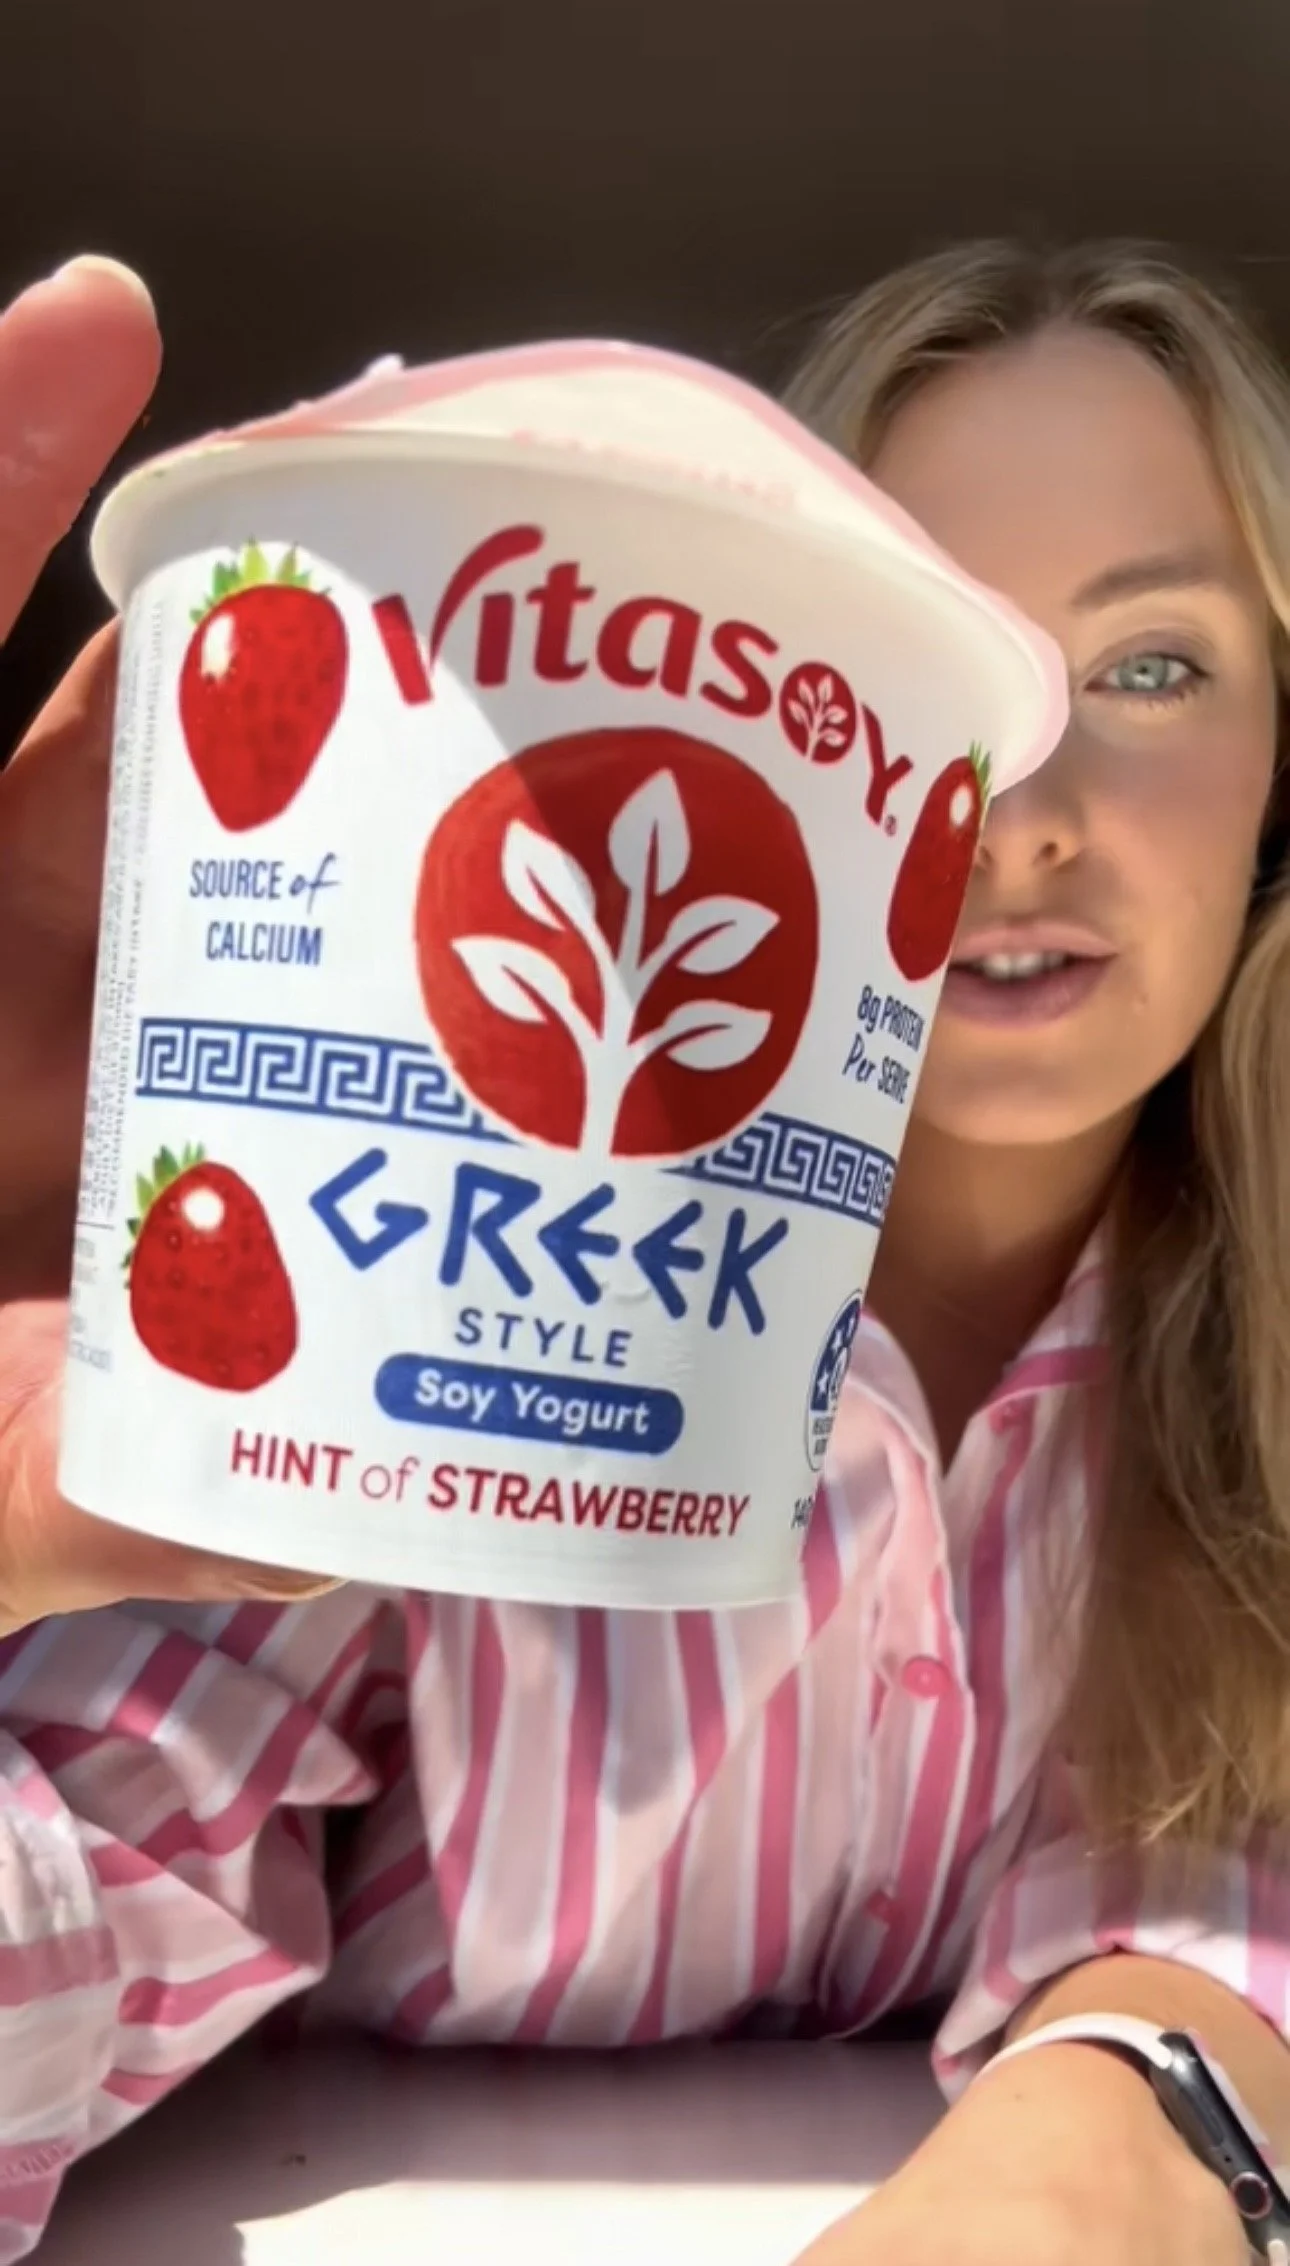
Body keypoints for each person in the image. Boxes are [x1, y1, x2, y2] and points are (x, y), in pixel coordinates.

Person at [1, 235, 1289, 2265]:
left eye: (1148, 665)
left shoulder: (1261, 1370)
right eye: (925, 672)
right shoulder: (420, 1299)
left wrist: (1121, 2108)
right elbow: (89, 1883)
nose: (1023, 810)